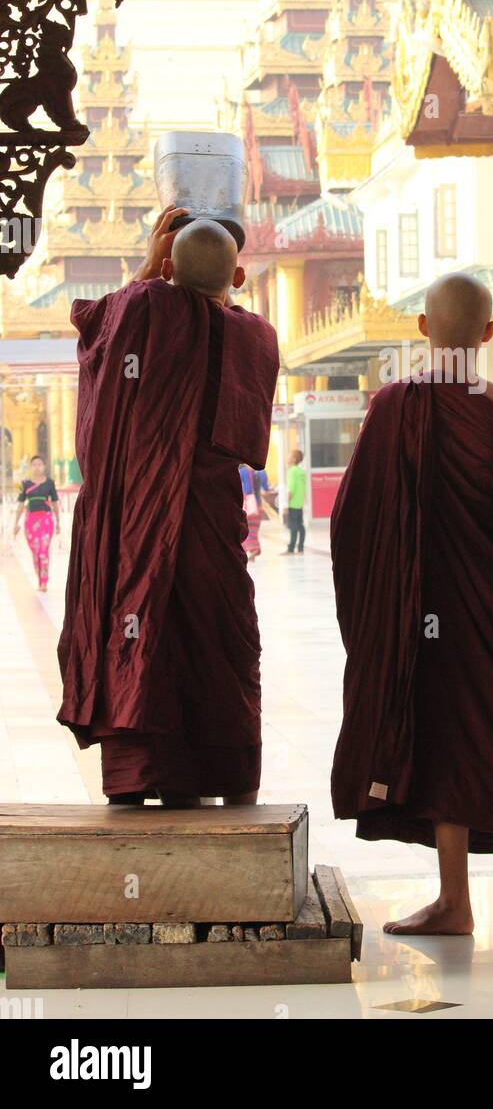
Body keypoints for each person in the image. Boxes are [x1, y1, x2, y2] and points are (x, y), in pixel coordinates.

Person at [331, 273, 493, 935]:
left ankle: (455, 900)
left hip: (421, 603)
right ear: (489, 334)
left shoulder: (396, 404)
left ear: (424, 330)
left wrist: (375, 602)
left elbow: (351, 519)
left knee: (443, 740)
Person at [57, 208, 280, 808]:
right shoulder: (256, 336)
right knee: (219, 648)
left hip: (138, 527)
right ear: (237, 278)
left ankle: (140, 774)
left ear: (167, 267)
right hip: (212, 532)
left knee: (139, 635)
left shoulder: (145, 310)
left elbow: (94, 327)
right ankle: (222, 777)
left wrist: (147, 271)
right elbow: (251, 442)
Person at [14, 455, 60, 592]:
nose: (37, 467)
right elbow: (21, 504)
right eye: (34, 464)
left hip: (46, 520)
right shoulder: (25, 484)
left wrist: (58, 522)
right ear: (31, 467)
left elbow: (54, 503)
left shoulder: (50, 483)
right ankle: (39, 577)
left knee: (43, 551)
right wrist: (16, 523)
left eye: (40, 464)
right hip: (30, 521)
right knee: (35, 552)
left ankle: (44, 582)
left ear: (44, 466)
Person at [282, 450, 306, 555]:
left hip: (293, 503)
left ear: (294, 459)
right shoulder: (301, 472)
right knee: (300, 526)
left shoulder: (292, 471)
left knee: (293, 526)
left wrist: (286, 504)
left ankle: (291, 549)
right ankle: (300, 548)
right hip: (299, 503)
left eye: (289, 456)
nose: (286, 457)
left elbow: (291, 489)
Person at [240, 463, 263, 561]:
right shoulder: (260, 472)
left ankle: (250, 550)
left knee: (246, 528)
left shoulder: (243, 471)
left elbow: (246, 489)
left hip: (248, 504)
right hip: (258, 505)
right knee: (254, 530)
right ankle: (254, 549)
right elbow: (265, 487)